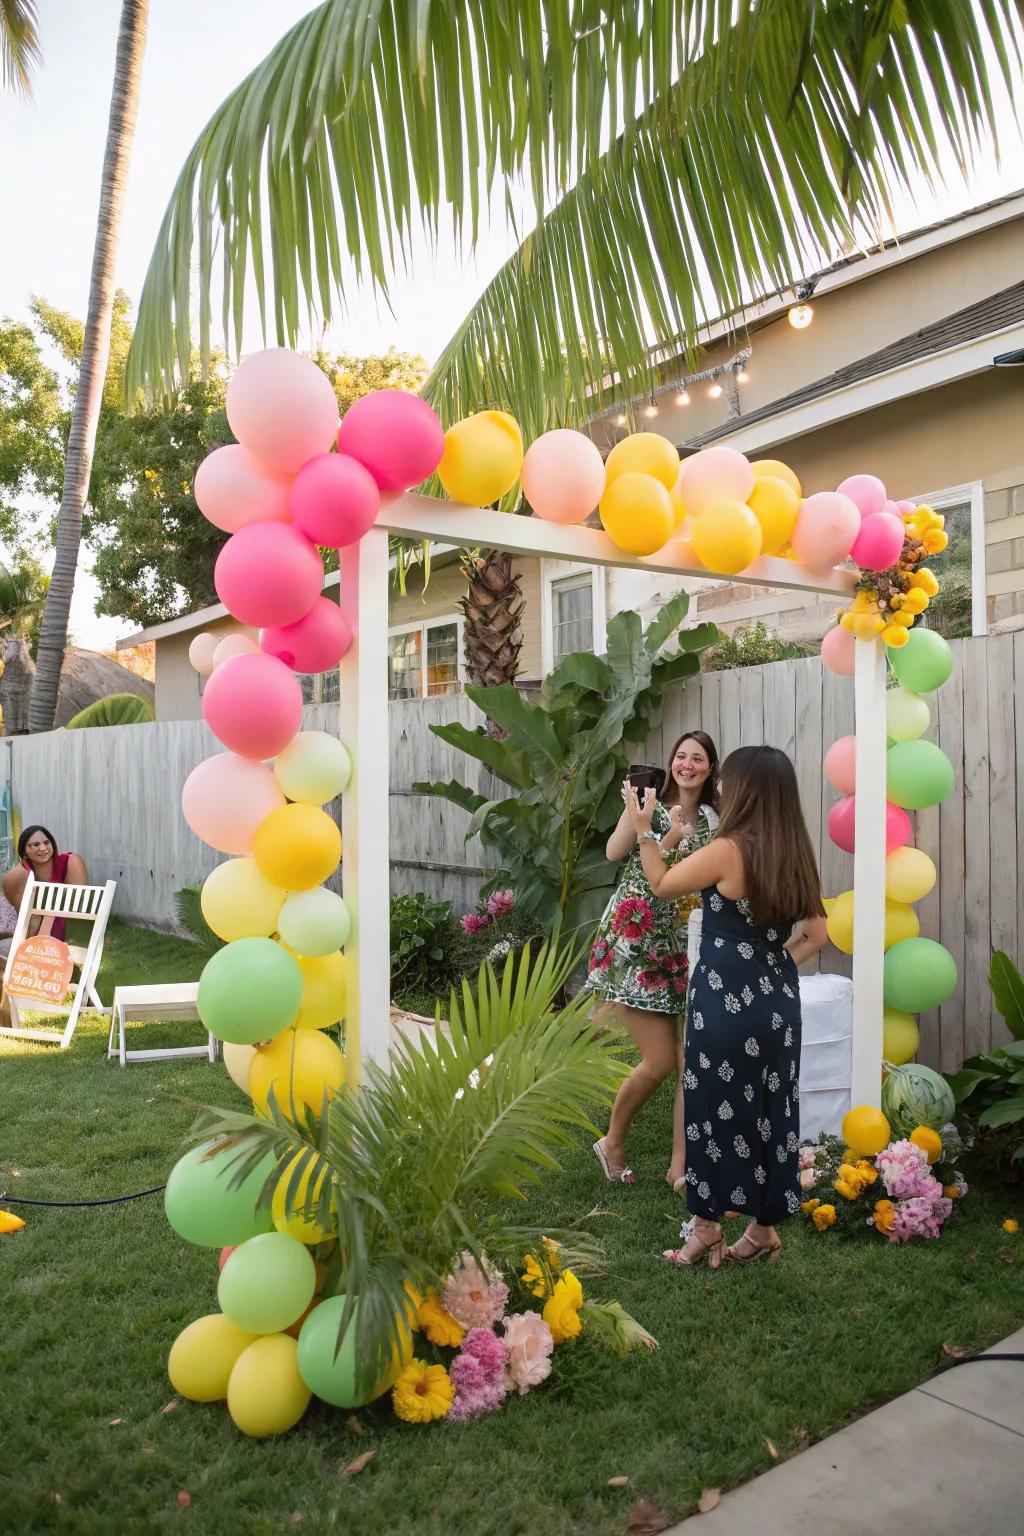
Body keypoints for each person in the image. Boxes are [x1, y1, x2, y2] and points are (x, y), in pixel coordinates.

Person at [624, 745, 826, 1268]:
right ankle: (762, 1231)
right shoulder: (795, 850)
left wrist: (645, 829)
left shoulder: (730, 848)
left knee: (712, 1107)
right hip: (779, 1002)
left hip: (724, 1002)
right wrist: (768, 964)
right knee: (771, 1109)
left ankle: (707, 1228)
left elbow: (663, 884)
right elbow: (817, 934)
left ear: (746, 790)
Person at [588, 732, 719, 1188]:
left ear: (709, 768)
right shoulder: (648, 805)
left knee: (688, 1058)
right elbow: (614, 854)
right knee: (661, 1060)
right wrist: (647, 821)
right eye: (680, 756)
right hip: (638, 939)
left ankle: (680, 1165)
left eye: (697, 758)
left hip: (687, 945)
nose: (687, 764)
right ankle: (612, 1142)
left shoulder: (714, 823)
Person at [0, 827, 88, 957]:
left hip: (65, 930)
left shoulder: (70, 862)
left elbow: (79, 906)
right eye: (35, 845)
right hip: (31, 935)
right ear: (24, 850)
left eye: (46, 843)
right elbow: (25, 919)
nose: (43, 848)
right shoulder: (19, 875)